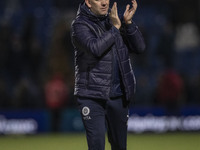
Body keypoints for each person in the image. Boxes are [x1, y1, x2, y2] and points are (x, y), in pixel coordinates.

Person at [71, 0, 145, 149]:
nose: (105, 2)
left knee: (119, 146)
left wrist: (128, 23)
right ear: (88, 2)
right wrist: (115, 28)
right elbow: (95, 48)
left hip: (118, 95)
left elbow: (140, 47)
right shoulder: (79, 25)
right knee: (97, 145)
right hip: (92, 96)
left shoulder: (114, 19)